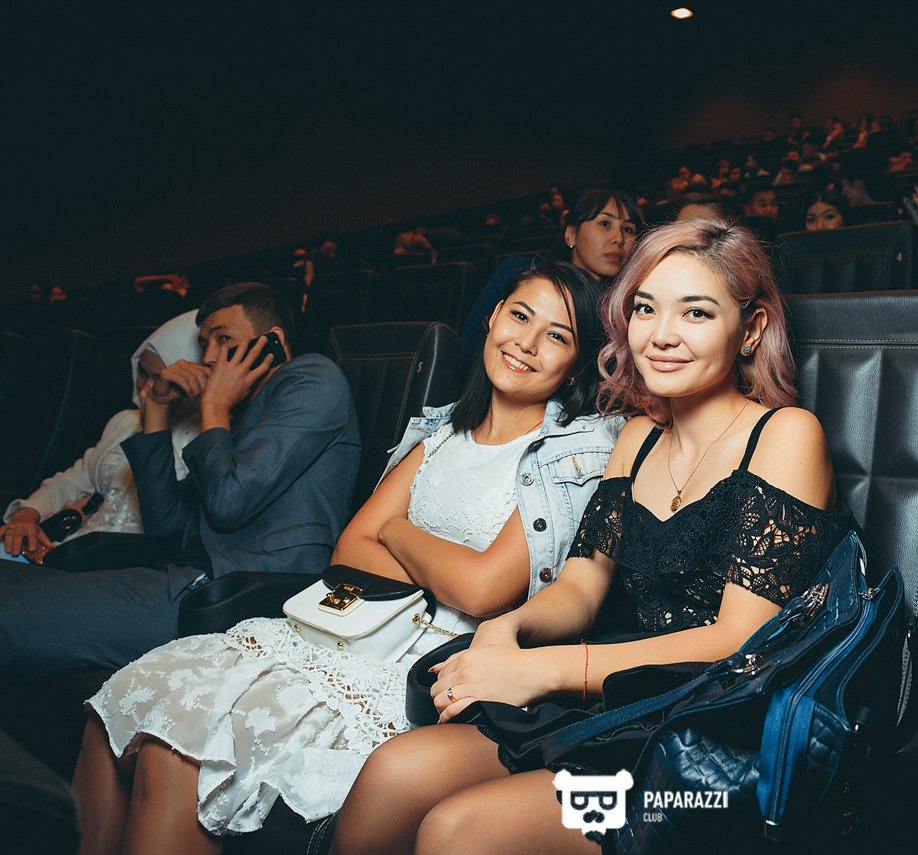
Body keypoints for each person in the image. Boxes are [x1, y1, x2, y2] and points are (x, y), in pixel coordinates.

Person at [331, 220, 855, 855]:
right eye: (645, 309)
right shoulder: (636, 438)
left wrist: (542, 670)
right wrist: (505, 629)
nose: (661, 335)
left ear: (750, 330)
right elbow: (581, 586)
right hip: (618, 698)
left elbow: (737, 640)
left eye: (695, 312)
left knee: (458, 832)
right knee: (392, 773)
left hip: (715, 735)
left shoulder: (785, 433)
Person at [73, 264, 622, 854]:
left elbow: (484, 589)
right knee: (131, 711)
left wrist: (397, 531)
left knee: (181, 749)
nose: (527, 343)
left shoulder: (573, 453)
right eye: (519, 316)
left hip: (427, 662)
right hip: (351, 623)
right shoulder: (440, 432)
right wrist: (437, 563)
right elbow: (352, 551)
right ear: (493, 317)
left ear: (577, 361)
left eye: (557, 335)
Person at [0, 283, 362, 678]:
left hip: (233, 590)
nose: (209, 357)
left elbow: (229, 503)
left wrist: (214, 405)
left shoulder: (311, 379)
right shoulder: (246, 411)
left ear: (271, 341)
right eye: (205, 343)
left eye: (224, 339)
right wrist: (156, 411)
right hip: (184, 573)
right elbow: (165, 523)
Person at [1, 311, 203, 565]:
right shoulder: (124, 421)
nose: (147, 388)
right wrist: (27, 515)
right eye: (143, 373)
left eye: (162, 380)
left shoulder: (204, 438)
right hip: (71, 549)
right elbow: (70, 482)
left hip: (125, 565)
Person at [460, 188, 642, 363]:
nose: (619, 238)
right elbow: (470, 345)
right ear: (571, 235)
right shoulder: (518, 273)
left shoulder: (628, 307)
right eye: (605, 224)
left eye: (628, 229)